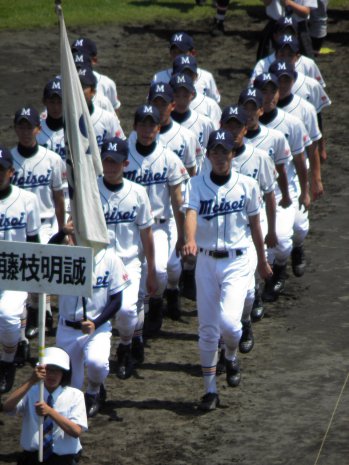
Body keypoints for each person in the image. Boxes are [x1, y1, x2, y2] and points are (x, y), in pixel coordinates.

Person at [182, 129, 272, 411]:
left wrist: (263, 259)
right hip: (207, 261)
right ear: (208, 154)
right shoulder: (195, 184)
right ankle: (210, 390)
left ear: (233, 154)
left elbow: (256, 225)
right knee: (207, 329)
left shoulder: (247, 185)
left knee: (231, 326)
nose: (221, 156)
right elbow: (191, 213)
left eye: (226, 151)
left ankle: (230, 355)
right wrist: (190, 240)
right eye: (216, 151)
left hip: (237, 260)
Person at [52, 222, 131, 417]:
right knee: (71, 389)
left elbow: (116, 300)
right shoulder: (64, 256)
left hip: (97, 328)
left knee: (97, 363)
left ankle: (94, 391)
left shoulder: (110, 258)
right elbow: (44, 252)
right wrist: (61, 232)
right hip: (67, 329)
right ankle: (85, 393)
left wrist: (96, 323)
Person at [124, 104, 188, 336]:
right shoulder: (123, 156)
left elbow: (177, 200)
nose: (147, 129)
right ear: (134, 126)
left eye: (151, 124)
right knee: (133, 276)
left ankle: (156, 302)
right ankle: (139, 321)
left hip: (159, 226)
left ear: (158, 128)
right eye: (142, 124)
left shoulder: (169, 159)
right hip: (129, 227)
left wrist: (181, 236)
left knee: (159, 270)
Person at [98, 137, 157, 378]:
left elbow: (146, 234)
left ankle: (124, 346)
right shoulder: (90, 191)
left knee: (126, 312)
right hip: (100, 262)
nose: (111, 167)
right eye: (107, 161)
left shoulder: (138, 192)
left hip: (129, 261)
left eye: (116, 162)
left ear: (125, 163)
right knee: (97, 314)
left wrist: (151, 269)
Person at [253, 72, 310, 301]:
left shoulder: (288, 125)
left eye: (271, 91)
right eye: (262, 91)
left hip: (279, 192)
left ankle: (281, 266)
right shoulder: (238, 131)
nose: (267, 96)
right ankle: (263, 285)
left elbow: (298, 161)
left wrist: (305, 190)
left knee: (292, 235)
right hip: (252, 199)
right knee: (265, 244)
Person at [11, 106, 65, 340]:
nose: (25, 131)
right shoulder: (8, 159)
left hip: (45, 221)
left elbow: (59, 197)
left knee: (41, 270)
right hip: (17, 224)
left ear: (38, 129)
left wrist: (63, 228)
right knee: (28, 275)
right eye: (21, 126)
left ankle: (41, 313)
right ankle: (37, 311)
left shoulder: (52, 159)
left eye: (29, 126)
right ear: (16, 128)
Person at [2, 346, 87, 465]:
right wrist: (31, 381)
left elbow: (76, 431)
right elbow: (7, 407)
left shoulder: (75, 395)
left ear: (64, 373)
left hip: (63, 459)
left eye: (57, 370)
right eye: (48, 369)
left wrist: (50, 412)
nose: (52, 375)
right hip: (32, 457)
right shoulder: (30, 391)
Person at [0, 146, 41, 393]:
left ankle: (6, 364)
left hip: (16, 271)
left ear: (11, 172)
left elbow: (34, 241)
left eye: (1, 169)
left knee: (7, 318)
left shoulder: (28, 200)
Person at [152, 31, 220, 103]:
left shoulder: (206, 77)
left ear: (193, 53)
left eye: (181, 52)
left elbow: (215, 103)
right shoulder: (159, 78)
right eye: (174, 52)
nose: (177, 56)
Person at [77, 66, 125, 150]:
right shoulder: (64, 117)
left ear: (93, 92)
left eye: (83, 86)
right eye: (75, 85)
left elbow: (121, 146)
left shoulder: (107, 118)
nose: (78, 90)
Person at [71, 36, 121, 112]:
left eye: (83, 55)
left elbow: (114, 113)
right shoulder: (61, 81)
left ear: (94, 60)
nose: (78, 57)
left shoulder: (107, 83)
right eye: (74, 54)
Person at [172, 54, 222, 129]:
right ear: (172, 75)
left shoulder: (210, 105)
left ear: (196, 76)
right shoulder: (164, 105)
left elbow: (217, 135)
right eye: (182, 73)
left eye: (189, 74)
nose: (185, 77)